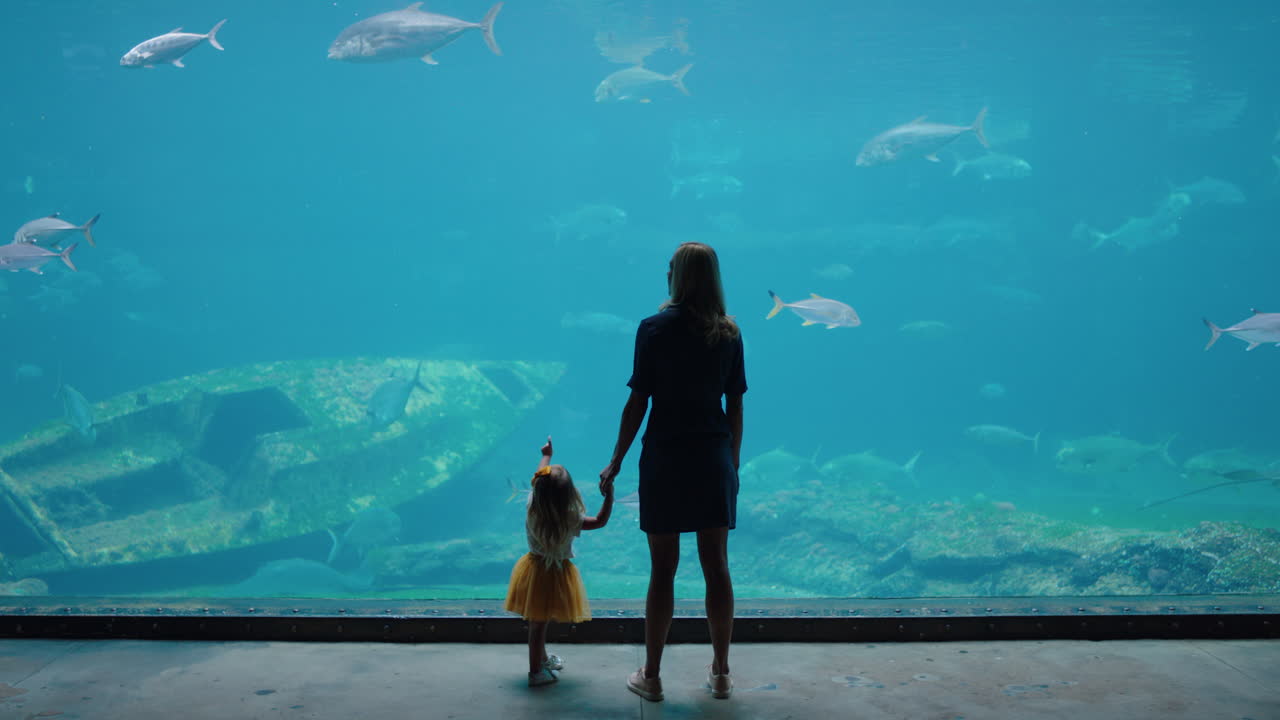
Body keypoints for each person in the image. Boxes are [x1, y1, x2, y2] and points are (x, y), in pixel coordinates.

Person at [600, 241, 746, 702]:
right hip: (712, 457)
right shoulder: (729, 333)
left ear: (678, 276)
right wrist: (733, 461)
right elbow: (735, 402)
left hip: (665, 457)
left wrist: (616, 459)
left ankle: (653, 675)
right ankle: (721, 673)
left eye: (670, 268)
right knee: (716, 566)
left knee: (663, 569)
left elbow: (638, 401)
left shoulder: (653, 329)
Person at [505, 436, 614, 687]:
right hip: (552, 573)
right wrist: (609, 496)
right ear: (569, 494)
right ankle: (535, 672)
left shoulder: (533, 504)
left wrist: (547, 455)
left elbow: (538, 477)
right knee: (538, 625)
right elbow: (599, 521)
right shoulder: (569, 517)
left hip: (533, 568)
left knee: (538, 620)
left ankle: (541, 659)